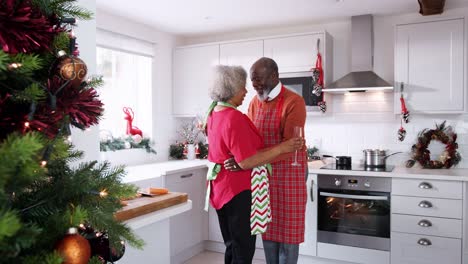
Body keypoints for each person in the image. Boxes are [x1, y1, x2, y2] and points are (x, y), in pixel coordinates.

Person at [205, 65, 303, 264]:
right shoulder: (236, 115)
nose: (248, 89)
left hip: (226, 187)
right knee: (243, 247)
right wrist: (283, 147)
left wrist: (240, 158)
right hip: (239, 188)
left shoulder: (214, 112)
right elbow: (246, 158)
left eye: (257, 80)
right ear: (232, 90)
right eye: (245, 85)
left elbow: (237, 147)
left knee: (235, 244)